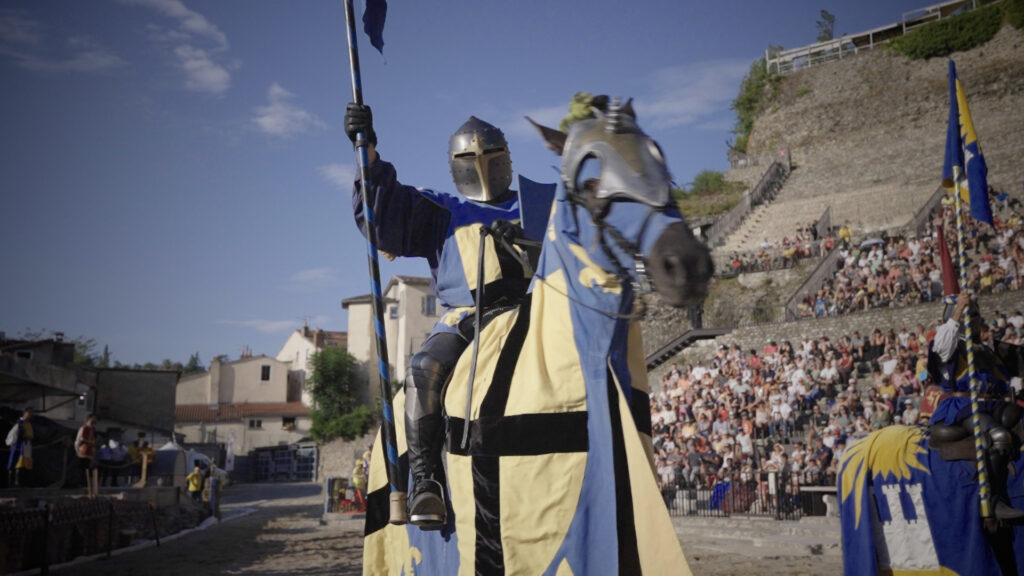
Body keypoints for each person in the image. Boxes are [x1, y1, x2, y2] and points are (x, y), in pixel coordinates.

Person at [345, 103, 533, 529]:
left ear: (506, 157)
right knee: (424, 369)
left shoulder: (539, 204)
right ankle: (426, 482)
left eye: (490, 155)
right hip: (466, 318)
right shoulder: (440, 210)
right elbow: (383, 216)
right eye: (469, 158)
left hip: (533, 311)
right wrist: (367, 150)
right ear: (456, 166)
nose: (481, 165)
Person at [928, 292, 1024, 520]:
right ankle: (994, 501)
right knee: (998, 435)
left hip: (992, 402)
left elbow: (1002, 380)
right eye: (970, 316)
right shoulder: (949, 345)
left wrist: (1018, 383)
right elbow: (942, 343)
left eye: (976, 316)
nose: (975, 321)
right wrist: (959, 309)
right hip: (962, 404)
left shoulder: (985, 351)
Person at [5, 407, 34, 488]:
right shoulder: (19, 423)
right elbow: (13, 435)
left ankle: (22, 483)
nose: (30, 415)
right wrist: (12, 444)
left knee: (25, 464)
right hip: (18, 446)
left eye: (31, 413)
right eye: (29, 413)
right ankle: (12, 483)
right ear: (25, 413)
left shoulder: (29, 424)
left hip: (27, 446)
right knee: (16, 463)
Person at [75, 414, 98, 495]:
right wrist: (91, 443)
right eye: (93, 418)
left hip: (90, 452)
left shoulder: (93, 429)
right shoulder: (84, 428)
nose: (95, 420)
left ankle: (87, 484)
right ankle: (80, 484)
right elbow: (82, 440)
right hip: (83, 451)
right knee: (82, 469)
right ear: (90, 419)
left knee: (88, 468)